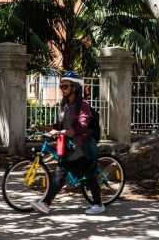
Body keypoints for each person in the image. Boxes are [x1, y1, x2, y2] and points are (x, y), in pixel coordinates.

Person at [31, 71, 105, 215]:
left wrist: (65, 132)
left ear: (75, 88)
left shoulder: (83, 105)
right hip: (71, 147)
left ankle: (98, 204)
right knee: (62, 171)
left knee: (87, 175)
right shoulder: (65, 106)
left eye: (65, 86)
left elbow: (82, 126)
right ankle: (45, 203)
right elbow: (60, 125)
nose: (62, 89)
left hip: (84, 147)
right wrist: (44, 128)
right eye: (61, 86)